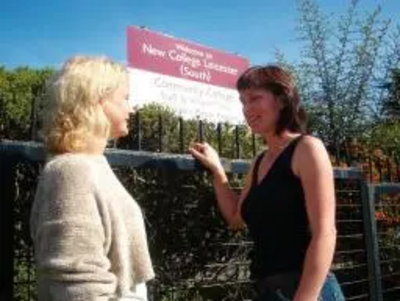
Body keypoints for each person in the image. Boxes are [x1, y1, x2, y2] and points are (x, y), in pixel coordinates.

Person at [189, 65, 345, 301]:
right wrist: (218, 171)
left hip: (309, 290)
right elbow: (235, 218)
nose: (247, 108)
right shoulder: (260, 161)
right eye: (242, 101)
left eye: (255, 98)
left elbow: (325, 232)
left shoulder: (307, 148)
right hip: (268, 291)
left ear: (282, 100)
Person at [30, 56, 154, 301]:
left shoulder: (93, 163)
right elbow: (76, 283)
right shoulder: (70, 170)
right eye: (125, 98)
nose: (132, 108)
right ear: (97, 100)